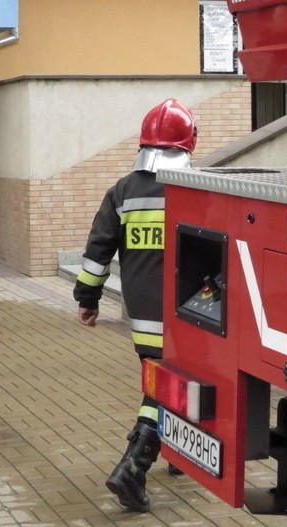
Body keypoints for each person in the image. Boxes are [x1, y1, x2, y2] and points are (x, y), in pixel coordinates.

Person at [73, 98, 197, 513]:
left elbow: (96, 254)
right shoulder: (195, 191)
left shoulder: (122, 192)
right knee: (167, 391)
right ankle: (133, 467)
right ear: (186, 144)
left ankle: (179, 454)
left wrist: (87, 300)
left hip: (142, 319)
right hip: (189, 317)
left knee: (165, 384)